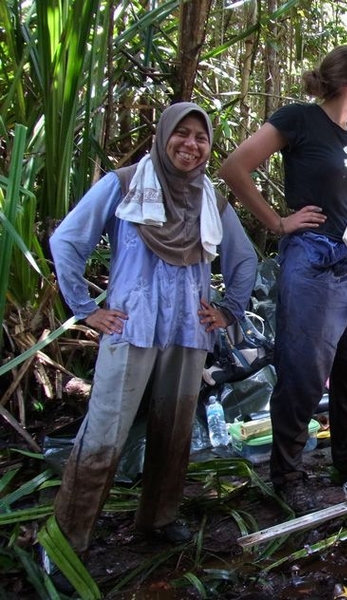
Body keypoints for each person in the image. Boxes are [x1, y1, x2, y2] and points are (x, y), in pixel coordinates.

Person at [48, 103, 257, 562]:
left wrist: (228, 311)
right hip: (132, 324)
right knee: (104, 430)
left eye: (201, 137)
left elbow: (244, 259)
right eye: (182, 133)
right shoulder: (125, 185)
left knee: (175, 425)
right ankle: (67, 540)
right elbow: (67, 240)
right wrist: (86, 310)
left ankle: (159, 518)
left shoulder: (209, 198)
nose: (191, 145)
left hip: (188, 328)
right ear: (163, 136)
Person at [219, 45, 347, 500]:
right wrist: (277, 222)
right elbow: (234, 168)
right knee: (304, 373)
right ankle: (289, 478)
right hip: (314, 263)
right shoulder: (298, 119)